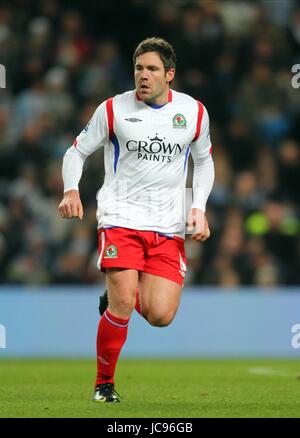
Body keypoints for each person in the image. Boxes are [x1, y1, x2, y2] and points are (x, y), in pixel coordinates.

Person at [58, 37, 215, 403]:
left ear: (169, 74)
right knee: (124, 303)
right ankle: (103, 384)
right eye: (139, 68)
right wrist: (70, 190)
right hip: (120, 217)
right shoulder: (113, 110)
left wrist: (199, 207)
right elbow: (76, 151)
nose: (143, 76)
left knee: (161, 315)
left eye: (152, 69)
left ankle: (115, 298)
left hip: (168, 225)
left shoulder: (193, 112)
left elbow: (204, 161)